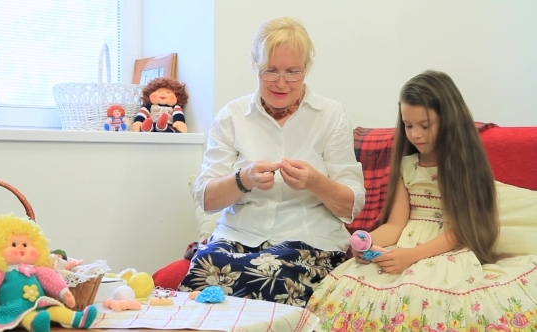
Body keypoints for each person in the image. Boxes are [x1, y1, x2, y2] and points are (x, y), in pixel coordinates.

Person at [306, 70, 537, 331]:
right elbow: (395, 225)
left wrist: (411, 256)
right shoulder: (407, 165)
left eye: (425, 125)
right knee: (354, 284)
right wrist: (367, 243)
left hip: (445, 250)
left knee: (423, 298)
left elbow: (460, 231)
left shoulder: (462, 165)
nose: (415, 134)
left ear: (448, 121)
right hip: (403, 244)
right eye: (408, 125)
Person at [177, 16, 365, 307]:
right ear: (255, 64)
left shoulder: (330, 115)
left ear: (307, 69)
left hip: (309, 241)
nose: (281, 83)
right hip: (237, 236)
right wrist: (244, 180)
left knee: (274, 276)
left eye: (293, 72)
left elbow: (351, 205)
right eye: (270, 71)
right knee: (203, 273)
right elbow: (207, 198)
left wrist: (316, 182)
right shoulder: (232, 116)